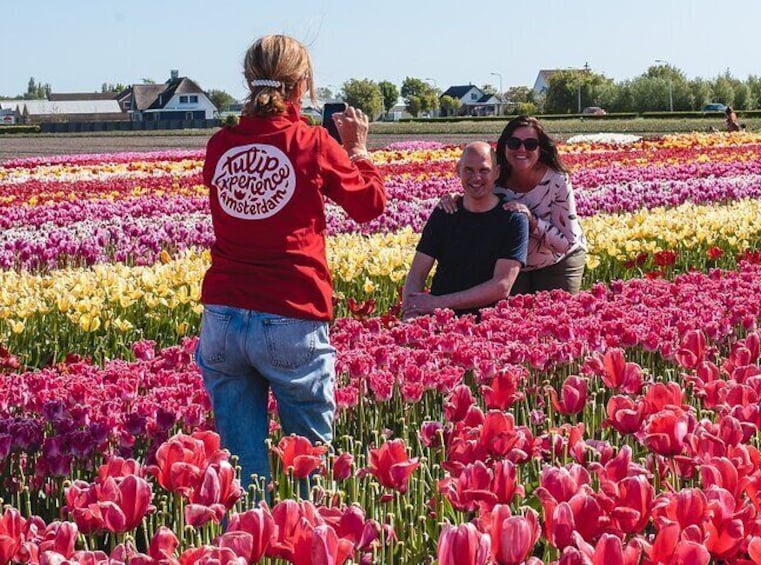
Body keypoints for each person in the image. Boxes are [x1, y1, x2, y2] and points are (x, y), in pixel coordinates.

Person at [196, 34, 386, 496]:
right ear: (303, 85)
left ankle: (248, 541)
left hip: (223, 313)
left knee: (241, 474)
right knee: (308, 471)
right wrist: (359, 150)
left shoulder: (221, 145)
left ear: (246, 79)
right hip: (291, 310)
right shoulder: (312, 142)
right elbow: (370, 205)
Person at [439, 116, 588, 295]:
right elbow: (475, 196)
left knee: (557, 316)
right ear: (504, 146)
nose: (522, 149)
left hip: (558, 260)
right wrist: (456, 199)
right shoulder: (495, 178)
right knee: (513, 317)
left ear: (540, 149)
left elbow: (565, 243)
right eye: (514, 143)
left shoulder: (556, 179)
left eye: (531, 144)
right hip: (512, 264)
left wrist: (532, 221)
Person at [402, 142, 528, 320]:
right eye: (468, 170)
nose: (476, 178)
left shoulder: (512, 219)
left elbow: (502, 285)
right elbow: (418, 272)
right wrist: (411, 311)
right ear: (458, 170)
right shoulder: (445, 213)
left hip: (488, 324)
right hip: (440, 320)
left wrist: (438, 303)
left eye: (484, 170)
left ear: (497, 172)